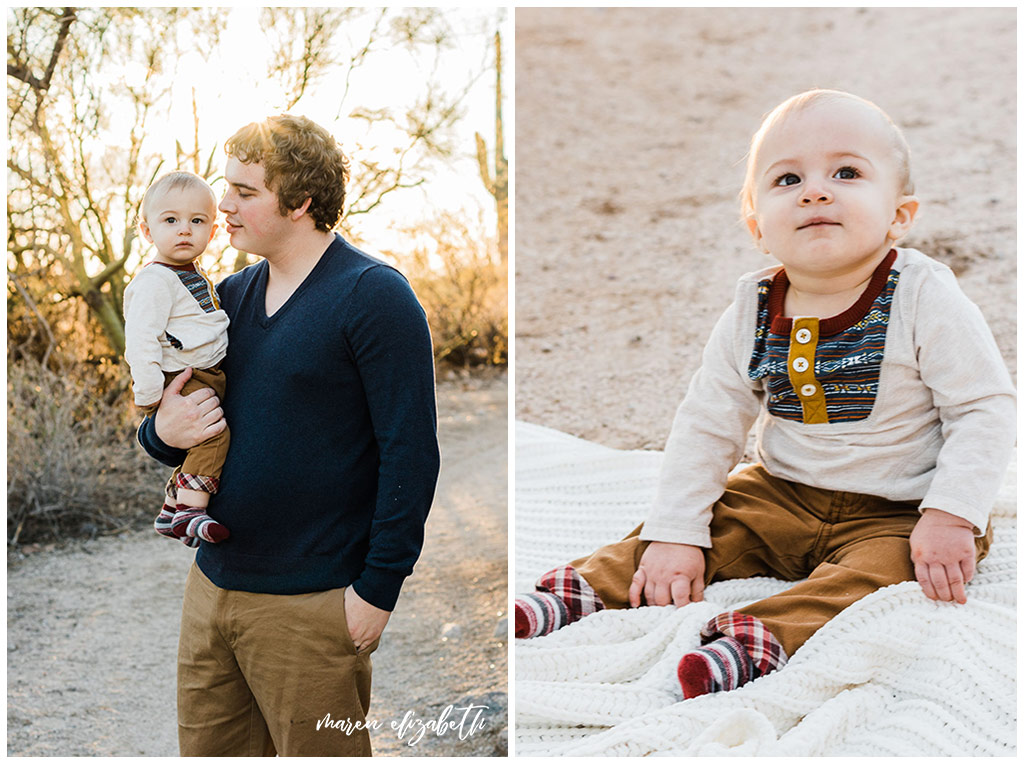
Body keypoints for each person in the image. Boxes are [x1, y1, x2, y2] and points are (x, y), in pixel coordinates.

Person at [514, 89, 1015, 699]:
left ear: (900, 215)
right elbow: (709, 419)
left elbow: (983, 407)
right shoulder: (753, 307)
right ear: (757, 226)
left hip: (900, 507)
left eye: (847, 172)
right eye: (787, 179)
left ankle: (758, 635)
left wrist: (951, 512)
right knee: (711, 521)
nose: (815, 191)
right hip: (783, 492)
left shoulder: (923, 295)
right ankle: (584, 587)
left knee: (885, 576)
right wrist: (677, 530)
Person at [137, 114, 440, 755]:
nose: (223, 205)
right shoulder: (227, 297)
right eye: (227, 187)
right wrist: (160, 432)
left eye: (245, 192)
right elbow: (178, 421)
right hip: (212, 586)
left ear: (300, 202)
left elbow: (411, 453)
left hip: (313, 604)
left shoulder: (373, 296)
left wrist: (377, 590)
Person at [124, 171, 230, 546]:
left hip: (205, 371)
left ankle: (171, 506)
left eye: (196, 221)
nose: (184, 230)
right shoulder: (154, 280)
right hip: (182, 376)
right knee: (214, 435)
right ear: (148, 231)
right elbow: (141, 340)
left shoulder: (193, 274)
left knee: (204, 435)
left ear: (212, 232)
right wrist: (151, 395)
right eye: (171, 220)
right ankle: (190, 511)